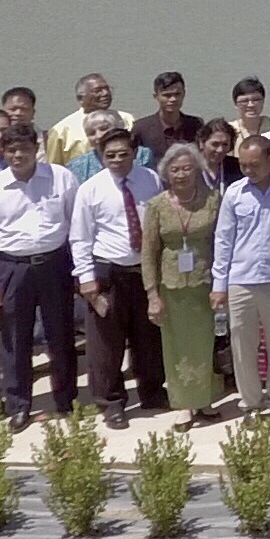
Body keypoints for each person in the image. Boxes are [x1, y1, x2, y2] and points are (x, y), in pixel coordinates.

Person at [0, 128, 79, 425]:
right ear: (2, 153)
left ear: (36, 148)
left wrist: (79, 269)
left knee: (60, 336)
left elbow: (77, 226)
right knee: (15, 341)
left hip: (54, 263)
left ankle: (65, 400)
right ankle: (19, 405)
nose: (18, 156)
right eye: (11, 150)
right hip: (11, 268)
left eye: (24, 149)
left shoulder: (61, 177)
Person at [70, 126, 166, 426]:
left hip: (144, 271)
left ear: (135, 153)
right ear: (100, 156)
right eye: (109, 155)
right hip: (107, 271)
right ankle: (111, 401)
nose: (117, 160)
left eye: (123, 154)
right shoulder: (90, 189)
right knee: (106, 344)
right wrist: (86, 279)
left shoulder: (150, 180)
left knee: (148, 337)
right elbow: (80, 237)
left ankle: (152, 391)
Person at [211, 134, 270, 419]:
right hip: (241, 279)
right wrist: (219, 284)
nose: (249, 170)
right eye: (244, 165)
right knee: (242, 346)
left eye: (255, 164)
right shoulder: (235, 193)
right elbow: (223, 240)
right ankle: (250, 403)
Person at [142, 144, 226, 417]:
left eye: (187, 168)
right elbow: (149, 252)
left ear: (198, 169)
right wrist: (152, 295)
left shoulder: (213, 199)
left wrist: (222, 283)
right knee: (175, 345)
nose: (181, 174)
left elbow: (222, 242)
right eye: (175, 169)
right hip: (171, 287)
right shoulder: (156, 206)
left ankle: (204, 399)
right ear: (166, 173)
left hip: (206, 283)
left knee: (204, 344)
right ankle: (183, 404)